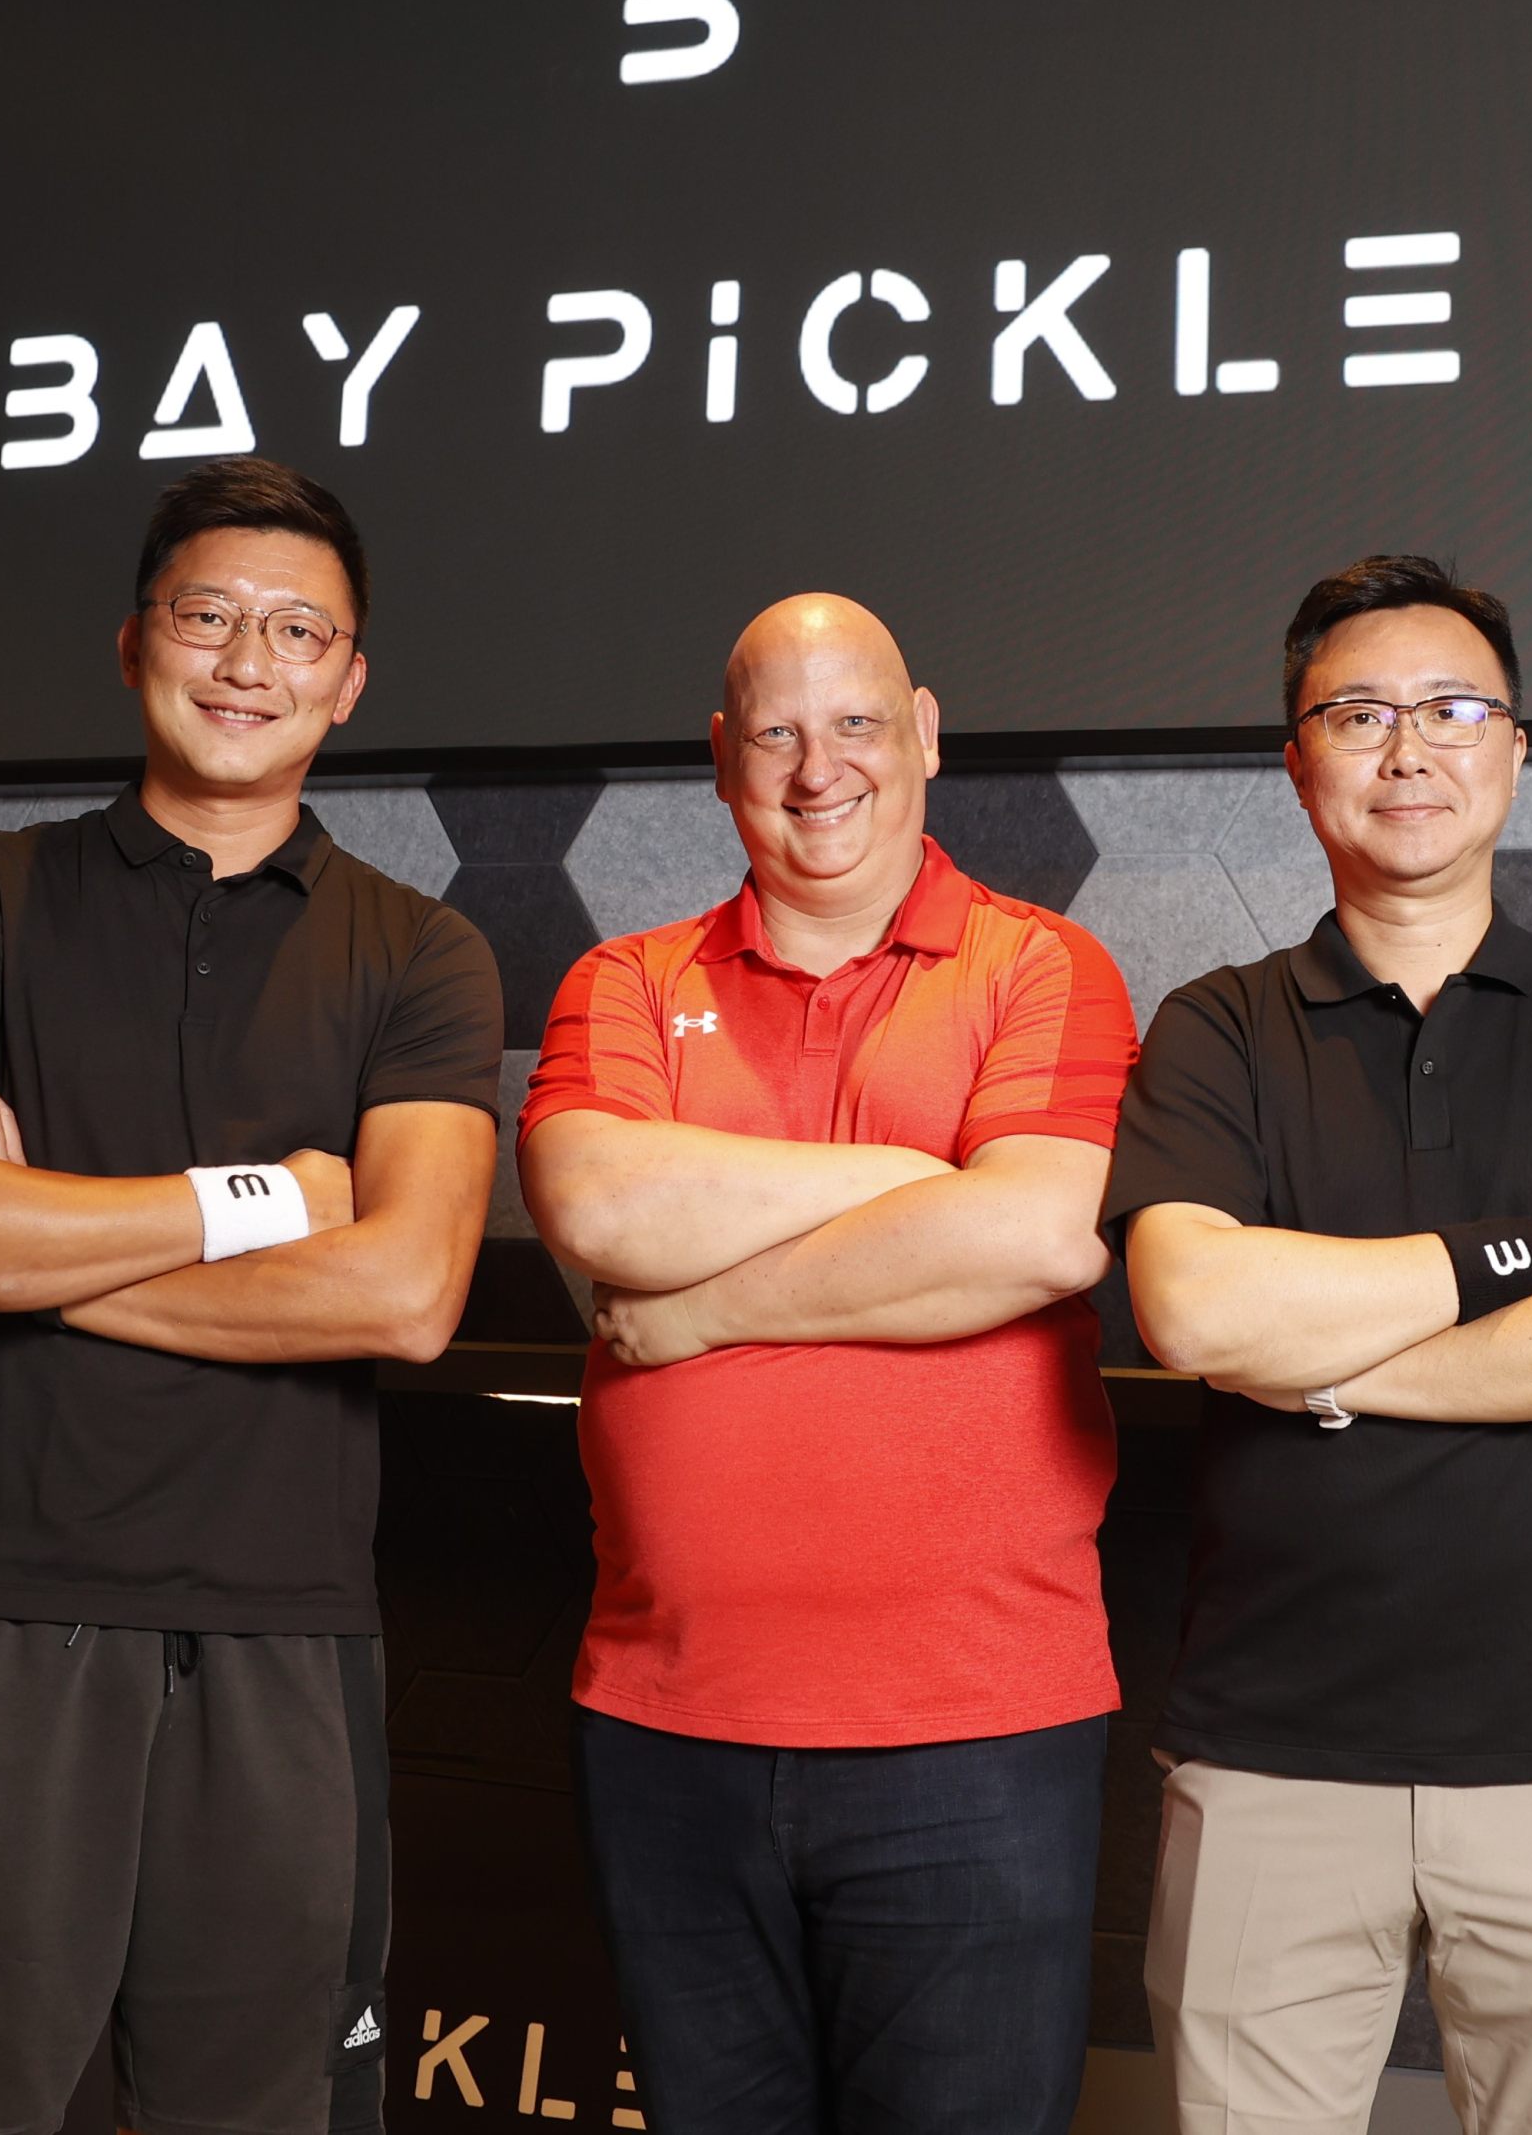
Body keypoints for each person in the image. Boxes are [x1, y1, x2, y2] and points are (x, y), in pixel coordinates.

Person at [0, 457, 505, 2135]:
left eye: (297, 631)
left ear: (350, 681)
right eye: (207, 616)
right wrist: (262, 1203)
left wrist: (31, 1247)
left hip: (285, 1637)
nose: (246, 661)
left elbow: (408, 1291)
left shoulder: (421, 954)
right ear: (134, 641)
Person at [1105, 557, 1532, 2135]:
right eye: (1361, 713)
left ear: (1515, 751)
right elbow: (1192, 1309)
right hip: (1269, 1757)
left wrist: (1318, 1359)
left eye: (1457, 710)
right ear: (1298, 761)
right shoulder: (1216, 1026)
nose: (1413, 749)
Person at [516, 594, 1140, 2135]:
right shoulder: (622, 980)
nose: (821, 770)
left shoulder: (1044, 966)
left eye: (856, 723)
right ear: (723, 759)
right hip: (670, 1728)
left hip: (975, 1732)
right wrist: (922, 1180)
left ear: (923, 733)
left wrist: (709, 1303)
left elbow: (1042, 1240)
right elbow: (597, 1204)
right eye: (778, 733)